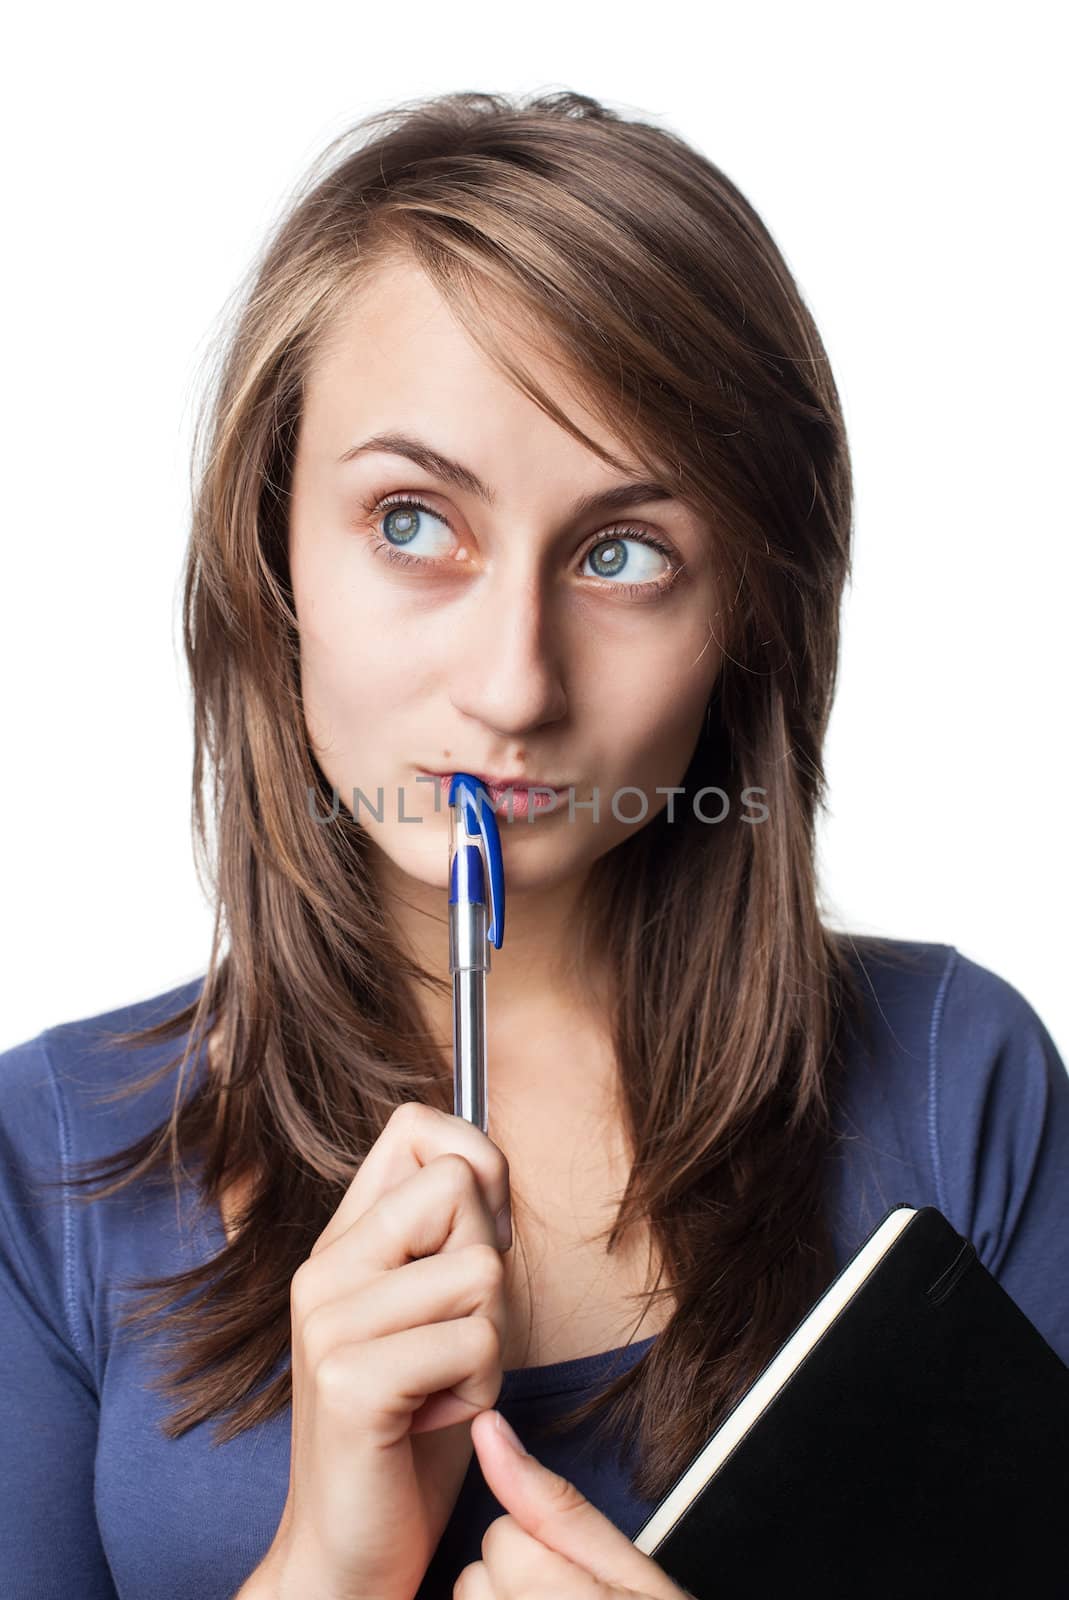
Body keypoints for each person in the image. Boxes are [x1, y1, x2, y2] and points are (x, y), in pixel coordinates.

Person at [1, 88, 1066, 1600]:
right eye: (412, 522)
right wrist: (327, 1561)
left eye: (622, 554)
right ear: (269, 550)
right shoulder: (39, 1166)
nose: (514, 684)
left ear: (750, 616)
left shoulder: (961, 1080)